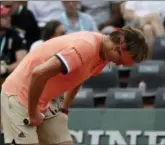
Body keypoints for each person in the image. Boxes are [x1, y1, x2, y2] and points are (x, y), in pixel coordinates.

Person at [1, 26, 149, 145]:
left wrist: (65, 107)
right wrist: (32, 112)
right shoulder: (84, 47)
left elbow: (79, 78)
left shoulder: (103, 55)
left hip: (45, 99)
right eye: (120, 60)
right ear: (117, 47)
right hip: (20, 95)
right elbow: (38, 73)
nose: (118, 64)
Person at [0, 6, 27, 84]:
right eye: (4, 17)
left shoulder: (15, 35)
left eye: (9, 16)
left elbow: (22, 62)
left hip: (9, 78)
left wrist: (6, 68)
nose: (9, 18)